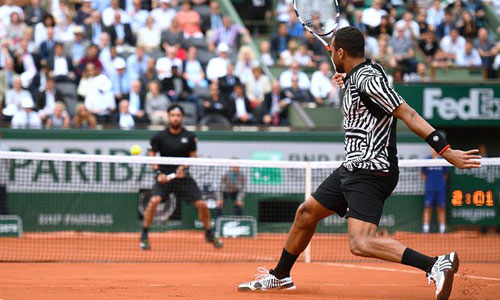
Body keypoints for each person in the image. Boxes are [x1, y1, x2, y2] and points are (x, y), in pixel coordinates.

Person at [238, 27, 481, 300]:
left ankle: (435, 264)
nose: (330, 55)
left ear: (341, 52)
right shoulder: (361, 75)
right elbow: (367, 83)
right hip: (352, 168)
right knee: (306, 213)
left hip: (371, 170)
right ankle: (280, 276)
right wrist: (349, 79)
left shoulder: (367, 79)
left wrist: (444, 149)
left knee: (361, 242)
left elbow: (408, 113)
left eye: (332, 51)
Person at [140, 104, 223, 250]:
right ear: (168, 116)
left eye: (178, 115)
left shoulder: (190, 137)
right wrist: (158, 173)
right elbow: (151, 156)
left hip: (183, 178)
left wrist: (184, 168)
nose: (175, 118)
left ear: (182, 118)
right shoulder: (159, 136)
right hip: (164, 177)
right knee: (153, 201)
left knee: (202, 204)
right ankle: (144, 235)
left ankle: (209, 232)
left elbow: (193, 157)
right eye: (173, 115)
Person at [421, 149, 449, 234]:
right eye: (433, 149)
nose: (434, 150)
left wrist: (441, 184)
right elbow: (423, 175)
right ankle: (425, 228)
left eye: (435, 149)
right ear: (430, 149)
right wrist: (429, 184)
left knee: (441, 208)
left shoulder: (443, 161)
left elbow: (445, 175)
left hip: (440, 189)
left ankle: (442, 228)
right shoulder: (427, 160)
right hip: (429, 189)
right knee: (427, 208)